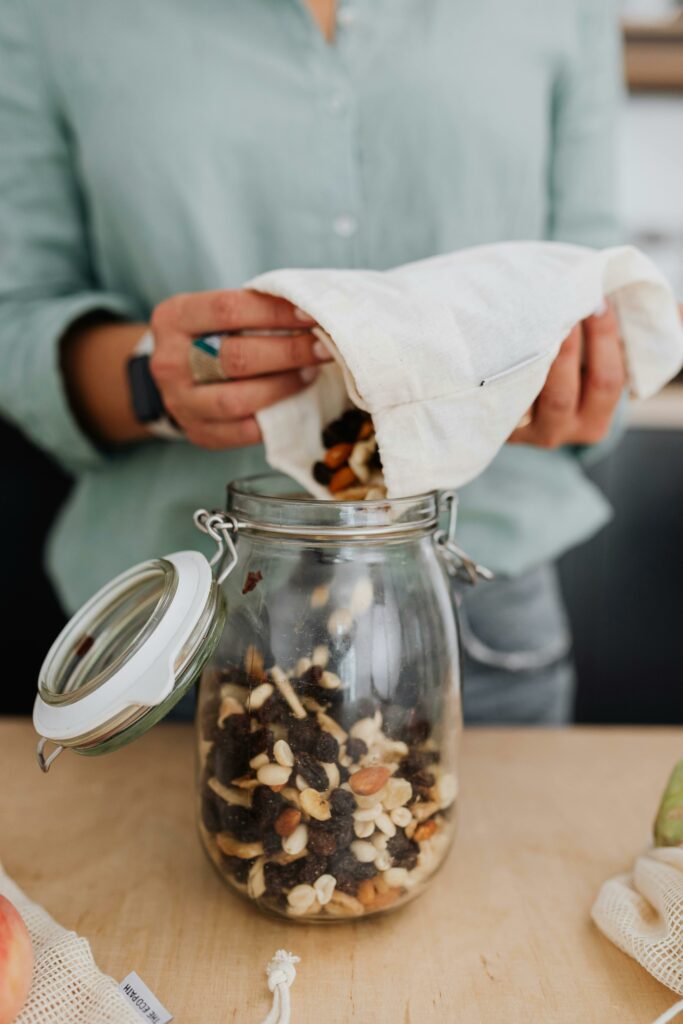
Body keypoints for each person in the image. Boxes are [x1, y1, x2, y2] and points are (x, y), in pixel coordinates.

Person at [0, 0, 628, 724]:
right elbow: (18, 317)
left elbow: (593, 280)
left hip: (475, 611)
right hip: (179, 625)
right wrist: (151, 378)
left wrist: (584, 377)